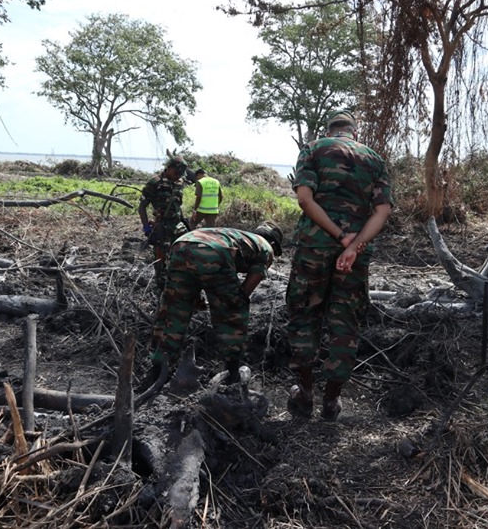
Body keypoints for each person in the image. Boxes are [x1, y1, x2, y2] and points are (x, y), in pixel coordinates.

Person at [285, 109, 393, 421]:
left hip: (313, 249)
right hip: (354, 256)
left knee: (304, 316)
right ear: (354, 133)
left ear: (330, 129)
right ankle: (331, 402)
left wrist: (340, 236)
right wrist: (354, 245)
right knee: (345, 323)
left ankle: (305, 395)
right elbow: (382, 210)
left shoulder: (313, 150)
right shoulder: (373, 159)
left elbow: (305, 200)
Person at [146, 222, 284, 385]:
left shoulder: (236, 235)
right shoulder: (266, 247)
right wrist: (230, 304)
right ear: (274, 243)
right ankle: (232, 376)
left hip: (181, 245)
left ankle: (157, 372)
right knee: (234, 313)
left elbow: (192, 273)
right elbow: (245, 291)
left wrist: (196, 297)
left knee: (173, 312)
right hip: (214, 251)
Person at [138, 154, 191, 290]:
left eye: (180, 173)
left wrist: (185, 222)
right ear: (169, 167)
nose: (178, 175)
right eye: (176, 172)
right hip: (162, 229)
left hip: (178, 229)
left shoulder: (179, 183)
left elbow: (177, 205)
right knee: (161, 266)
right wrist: (146, 229)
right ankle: (162, 295)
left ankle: (177, 291)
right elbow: (142, 207)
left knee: (182, 262)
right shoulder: (155, 182)